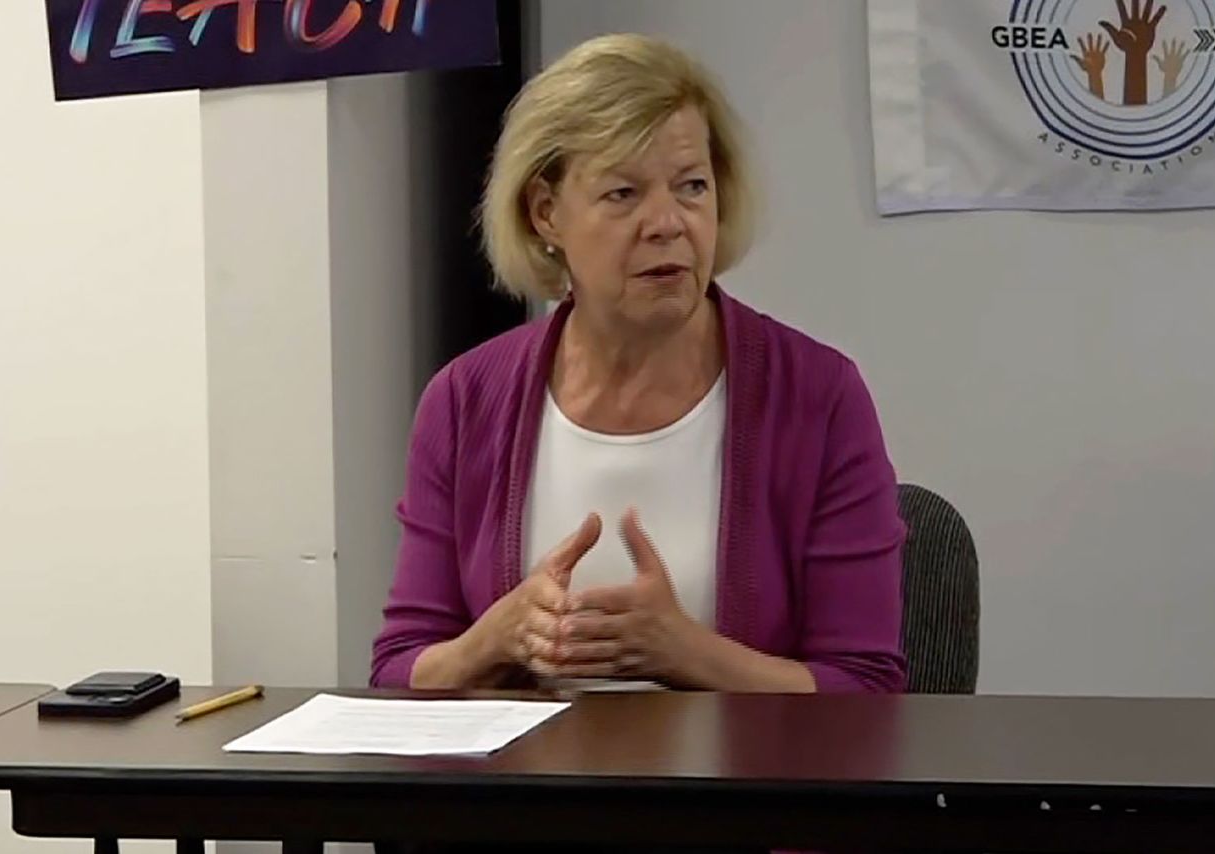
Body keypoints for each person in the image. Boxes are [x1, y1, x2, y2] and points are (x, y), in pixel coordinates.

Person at [370, 33, 907, 695]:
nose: (667, 223)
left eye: (691, 187)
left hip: (740, 796)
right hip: (529, 795)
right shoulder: (464, 401)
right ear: (546, 213)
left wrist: (686, 654)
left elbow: (868, 691)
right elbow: (399, 672)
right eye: (623, 193)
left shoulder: (819, 397)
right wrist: (499, 635)